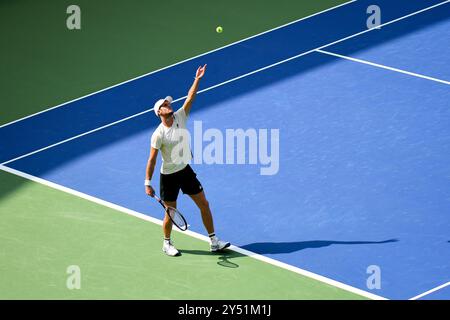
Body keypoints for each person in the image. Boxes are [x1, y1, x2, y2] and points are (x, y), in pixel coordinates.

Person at [145, 64, 230, 256]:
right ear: (159, 112)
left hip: (185, 171)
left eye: (169, 103)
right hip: (168, 177)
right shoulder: (157, 135)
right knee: (171, 212)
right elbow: (152, 160)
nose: (169, 105)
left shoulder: (180, 117)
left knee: (204, 204)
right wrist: (147, 183)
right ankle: (167, 243)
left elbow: (190, 97)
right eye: (165, 104)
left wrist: (197, 79)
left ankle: (214, 241)